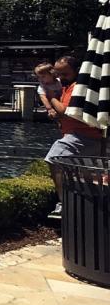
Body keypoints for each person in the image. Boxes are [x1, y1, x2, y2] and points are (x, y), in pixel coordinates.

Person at [44, 56, 103, 218]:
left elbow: (64, 111)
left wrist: (51, 96)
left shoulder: (78, 87)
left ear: (77, 71)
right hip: (82, 137)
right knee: (83, 175)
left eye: (65, 74)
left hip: (82, 136)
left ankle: (64, 203)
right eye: (58, 74)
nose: (61, 78)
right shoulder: (68, 86)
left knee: (54, 158)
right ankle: (82, 206)